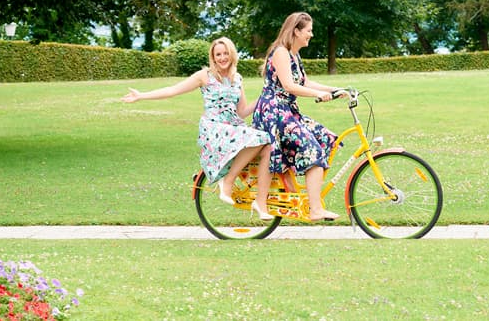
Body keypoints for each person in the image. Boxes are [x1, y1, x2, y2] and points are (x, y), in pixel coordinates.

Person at [122, 37, 273, 220]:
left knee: (268, 145)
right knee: (261, 138)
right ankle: (228, 181)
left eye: (225, 53)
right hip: (214, 128)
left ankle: (261, 202)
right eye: (218, 54)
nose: (222, 57)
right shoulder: (205, 76)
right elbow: (173, 90)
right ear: (213, 57)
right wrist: (142, 96)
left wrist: (264, 98)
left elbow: (241, 112)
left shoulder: (237, 78)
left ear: (232, 54)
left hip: (233, 127)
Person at [252, 12, 341, 221]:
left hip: (288, 111)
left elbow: (306, 83)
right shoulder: (281, 52)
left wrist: (336, 90)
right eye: (308, 31)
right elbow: (289, 86)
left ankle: (295, 187)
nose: (311, 34)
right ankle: (315, 208)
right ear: (296, 31)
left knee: (325, 137)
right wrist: (318, 95)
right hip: (274, 113)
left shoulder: (294, 54)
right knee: (312, 148)